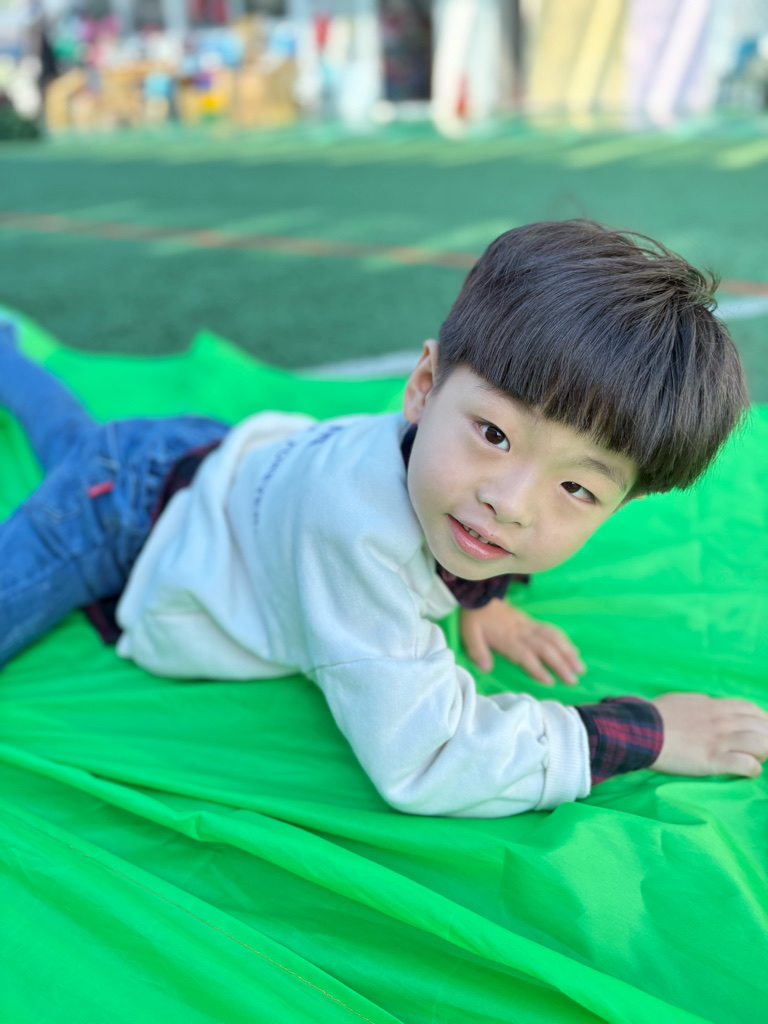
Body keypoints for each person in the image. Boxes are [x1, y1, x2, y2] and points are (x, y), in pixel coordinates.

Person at [1, 220, 767, 817]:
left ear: (622, 504)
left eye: (576, 488)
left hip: (205, 459)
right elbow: (429, 758)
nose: (510, 502)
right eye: (494, 434)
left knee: (70, 434)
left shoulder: (462, 488)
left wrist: (484, 596)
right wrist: (645, 733)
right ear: (424, 386)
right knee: (75, 460)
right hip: (122, 508)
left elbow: (481, 505)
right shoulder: (356, 536)